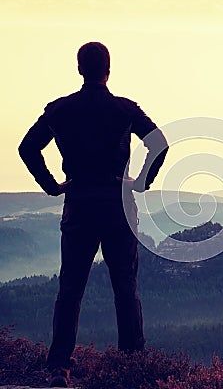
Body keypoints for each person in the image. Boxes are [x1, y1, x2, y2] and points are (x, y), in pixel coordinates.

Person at [18, 42, 169, 387]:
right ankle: (131, 365)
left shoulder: (59, 110)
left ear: (79, 69)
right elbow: (159, 143)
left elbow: (27, 148)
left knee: (70, 288)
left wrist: (52, 186)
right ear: (108, 70)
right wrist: (140, 182)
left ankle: (58, 367)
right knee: (125, 288)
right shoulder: (125, 110)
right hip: (118, 206)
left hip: (80, 204)